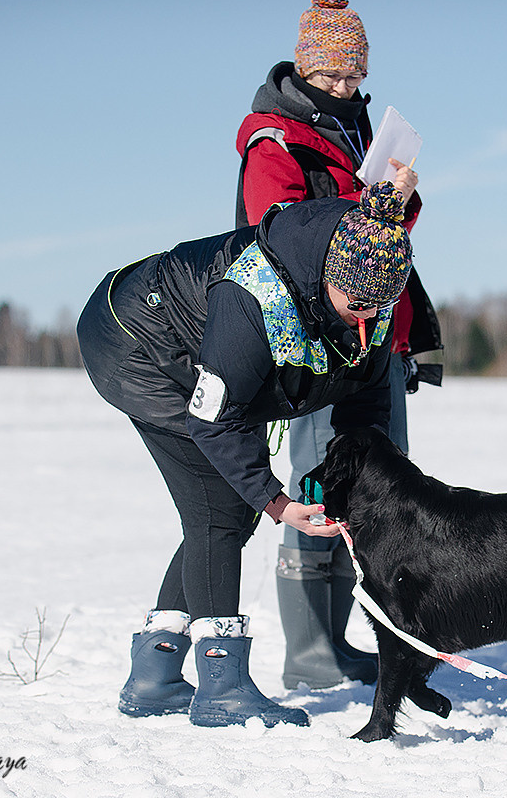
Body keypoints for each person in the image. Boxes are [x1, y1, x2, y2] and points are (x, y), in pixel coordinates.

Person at [76, 182, 412, 728]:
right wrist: (278, 505)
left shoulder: (371, 297)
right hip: (136, 341)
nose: (366, 320)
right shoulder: (254, 294)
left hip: (204, 356)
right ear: (329, 275)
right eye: (357, 305)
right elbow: (214, 420)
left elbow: (365, 397)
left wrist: (339, 481)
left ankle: (154, 675)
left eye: (380, 308)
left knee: (225, 513)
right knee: (220, 511)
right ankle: (220, 689)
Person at [235, 0, 441, 691]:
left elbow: (376, 240)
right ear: (304, 68)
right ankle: (308, 648)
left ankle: (342, 639)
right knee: (321, 487)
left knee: (380, 483)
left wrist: (397, 201)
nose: (348, 90)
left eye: (355, 78)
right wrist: (370, 202)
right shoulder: (275, 143)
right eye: (333, 78)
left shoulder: (352, 132)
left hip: (374, 335)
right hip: (315, 341)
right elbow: (285, 229)